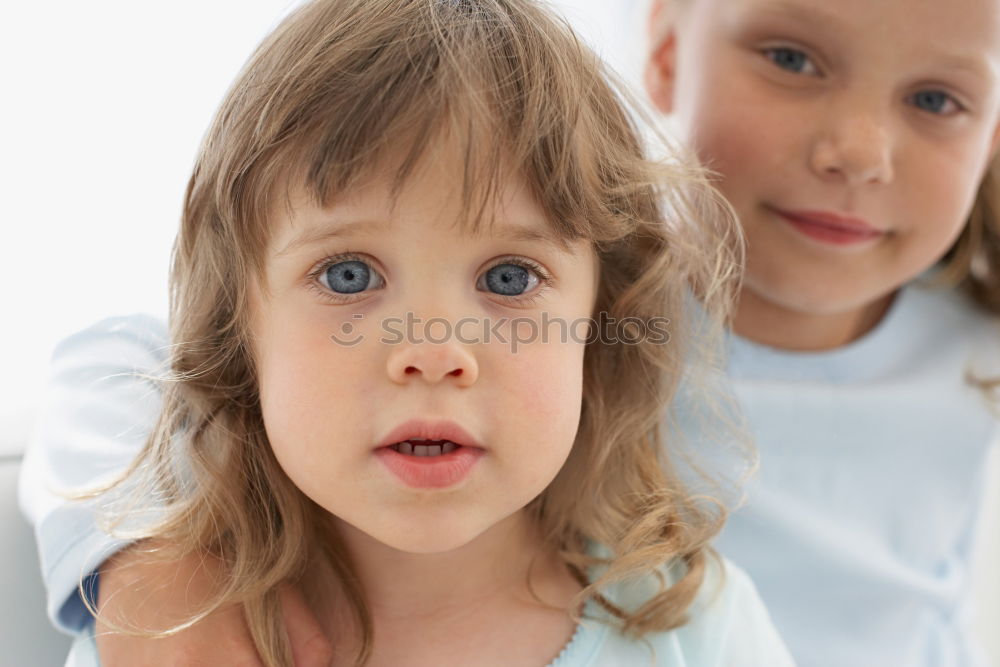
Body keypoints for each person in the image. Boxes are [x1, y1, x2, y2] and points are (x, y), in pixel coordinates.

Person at [20, 0, 794, 665]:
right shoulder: (173, 636)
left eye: (509, 279)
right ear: (239, 332)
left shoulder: (697, 626)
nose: (433, 354)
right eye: (348, 275)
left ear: (599, 326)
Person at [642, 0, 1000, 665]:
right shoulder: (563, 329)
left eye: (934, 99)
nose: (861, 154)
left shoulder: (976, 342)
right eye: (791, 60)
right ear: (666, 54)